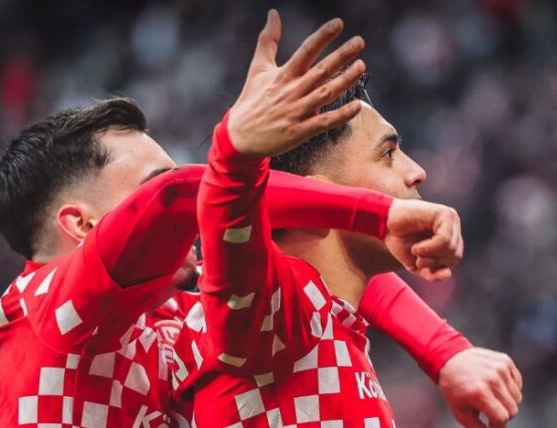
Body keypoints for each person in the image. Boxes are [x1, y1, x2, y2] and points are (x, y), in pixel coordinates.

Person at [184, 10, 522, 428]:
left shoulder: (333, 326)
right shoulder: (278, 314)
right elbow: (228, 228)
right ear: (317, 196)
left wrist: (444, 349)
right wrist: (235, 153)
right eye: (388, 153)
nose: (417, 171)